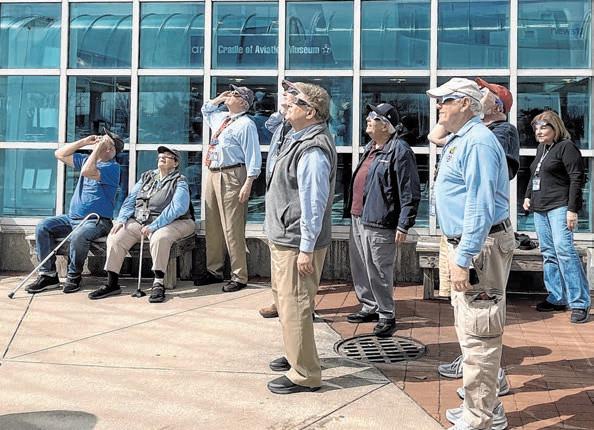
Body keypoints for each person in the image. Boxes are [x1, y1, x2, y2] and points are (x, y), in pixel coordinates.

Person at [427, 78, 516, 430]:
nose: (439, 106)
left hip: (478, 247)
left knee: (480, 335)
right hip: (467, 244)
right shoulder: (463, 137)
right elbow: (435, 134)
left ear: (465, 103)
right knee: (470, 330)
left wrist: (463, 257)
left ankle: (479, 419)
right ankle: (486, 407)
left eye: (446, 100)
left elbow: (480, 205)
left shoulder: (477, 141)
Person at [265, 82, 337, 394]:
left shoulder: (312, 150)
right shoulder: (294, 136)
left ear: (311, 112)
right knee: (287, 303)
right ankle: (297, 353)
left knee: (295, 305)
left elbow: (313, 203)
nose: (288, 105)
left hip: (296, 241)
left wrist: (306, 248)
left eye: (295, 102)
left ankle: (305, 374)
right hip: (286, 236)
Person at [345, 103, 421, 337]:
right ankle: (369, 306)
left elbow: (409, 190)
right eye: (369, 116)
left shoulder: (399, 150)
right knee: (360, 266)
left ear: (386, 126)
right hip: (359, 216)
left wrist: (404, 223)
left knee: (379, 269)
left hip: (380, 220)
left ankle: (386, 314)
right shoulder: (371, 147)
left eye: (374, 117)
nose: (368, 120)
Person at [88, 146, 195, 303]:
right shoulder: (147, 176)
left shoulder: (180, 180)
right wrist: (122, 219)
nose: (162, 157)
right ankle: (112, 283)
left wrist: (154, 225)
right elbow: (131, 199)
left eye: (167, 156)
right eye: (161, 155)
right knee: (116, 235)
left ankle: (158, 283)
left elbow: (177, 208)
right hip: (142, 220)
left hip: (175, 222)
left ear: (175, 163)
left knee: (160, 237)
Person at [25, 127, 123, 294]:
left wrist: (98, 148)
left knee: (79, 235)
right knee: (43, 226)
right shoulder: (87, 160)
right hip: (72, 218)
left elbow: (87, 171)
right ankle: (48, 275)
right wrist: (84, 142)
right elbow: (59, 154)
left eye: (104, 140)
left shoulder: (113, 167)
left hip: (97, 221)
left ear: (111, 149)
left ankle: (74, 276)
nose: (99, 140)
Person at [523, 110, 590, 324]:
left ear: (556, 128)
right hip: (540, 208)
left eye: (544, 127)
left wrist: (572, 209)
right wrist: (527, 196)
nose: (539, 131)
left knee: (564, 251)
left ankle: (580, 303)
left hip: (559, 207)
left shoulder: (566, 147)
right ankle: (557, 297)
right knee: (548, 253)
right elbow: (534, 174)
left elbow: (577, 178)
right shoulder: (542, 148)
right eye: (536, 128)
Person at [196, 85, 262, 292]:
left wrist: (249, 182)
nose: (230, 96)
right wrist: (218, 99)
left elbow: (253, 155)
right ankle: (214, 270)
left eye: (235, 94)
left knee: (232, 227)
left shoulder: (246, 124)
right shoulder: (222, 118)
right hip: (213, 171)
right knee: (213, 224)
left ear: (243, 102)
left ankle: (239, 275)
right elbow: (206, 110)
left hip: (233, 173)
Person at [258, 79, 300, 320]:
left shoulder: (302, 127)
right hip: (274, 194)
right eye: (283, 93)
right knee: (277, 258)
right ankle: (279, 301)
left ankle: (301, 306)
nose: (284, 97)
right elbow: (269, 124)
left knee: (294, 263)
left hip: (290, 200)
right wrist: (283, 108)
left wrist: (292, 106)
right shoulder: (282, 123)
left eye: (290, 94)